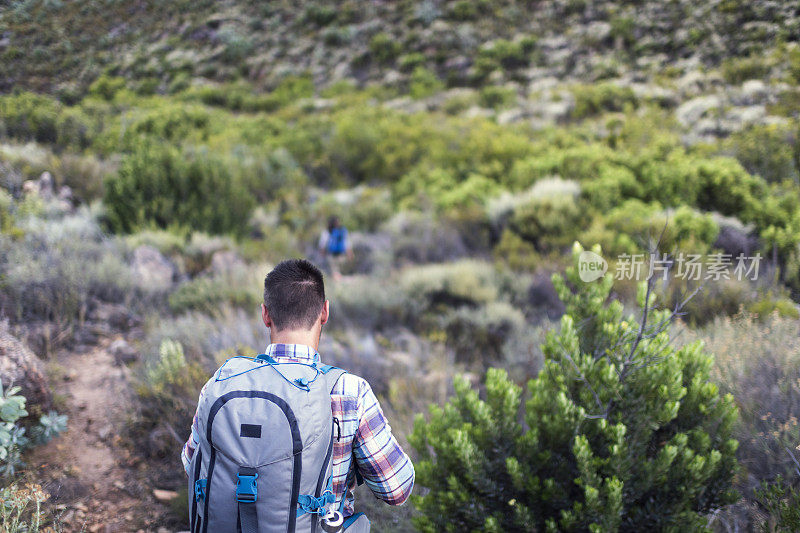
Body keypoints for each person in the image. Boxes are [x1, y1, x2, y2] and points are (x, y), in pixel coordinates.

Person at [181, 259, 414, 531]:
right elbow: (396, 489)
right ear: (325, 312)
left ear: (266, 314)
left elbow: (190, 463)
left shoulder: (222, 380)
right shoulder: (349, 391)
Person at [319, 216, 353, 280]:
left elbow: (322, 244)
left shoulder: (341, 231)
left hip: (338, 255)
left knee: (336, 272)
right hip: (334, 255)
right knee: (335, 272)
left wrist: (350, 253)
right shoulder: (329, 232)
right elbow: (347, 243)